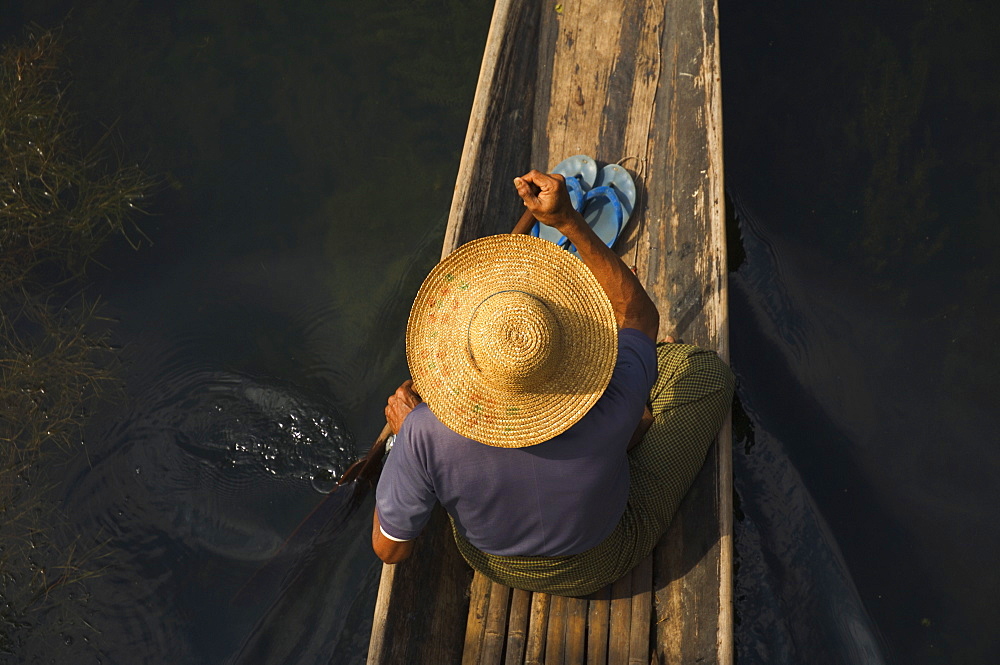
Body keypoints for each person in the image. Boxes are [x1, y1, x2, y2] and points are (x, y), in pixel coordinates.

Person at [371, 170, 734, 596]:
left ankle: (632, 423)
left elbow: (390, 551)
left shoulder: (424, 432)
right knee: (705, 372)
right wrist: (567, 221)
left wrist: (406, 440)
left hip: (492, 561)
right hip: (599, 559)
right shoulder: (612, 399)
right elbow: (638, 317)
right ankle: (637, 417)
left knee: (628, 407)